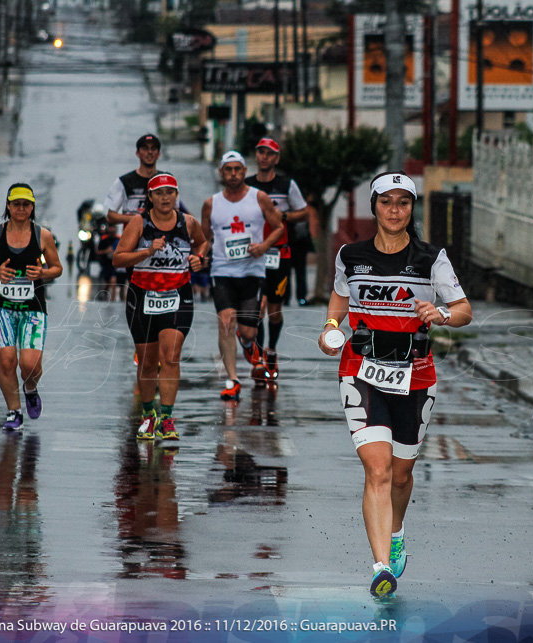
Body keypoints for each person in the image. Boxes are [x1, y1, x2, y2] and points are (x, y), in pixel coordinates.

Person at [317, 171, 472, 598]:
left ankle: (397, 528)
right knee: (378, 469)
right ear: (374, 206)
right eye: (387, 202)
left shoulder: (430, 258)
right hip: (361, 370)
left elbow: (463, 310)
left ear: (411, 209)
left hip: (415, 374)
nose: (394, 210)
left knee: (402, 475)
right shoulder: (350, 255)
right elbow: (339, 298)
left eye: (403, 202)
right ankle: (381, 566)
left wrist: (440, 315)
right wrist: (331, 327)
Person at [113, 173, 206, 441]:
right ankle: (147, 415)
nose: (165, 197)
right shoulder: (138, 223)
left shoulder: (188, 223)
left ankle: (166, 417)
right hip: (142, 296)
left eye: (170, 192)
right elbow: (118, 259)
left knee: (171, 355)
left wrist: (198, 258)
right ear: (150, 198)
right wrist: (146, 252)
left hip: (177, 295)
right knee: (148, 361)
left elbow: (201, 243)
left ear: (176, 195)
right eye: (159, 193)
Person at [0, 184, 63, 432]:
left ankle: (30, 389)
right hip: (0, 308)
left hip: (33, 308)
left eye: (26, 204)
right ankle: (14, 412)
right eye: (16, 204)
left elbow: (57, 268)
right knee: (7, 361)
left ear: (32, 207)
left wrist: (43, 273)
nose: (21, 209)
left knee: (30, 366)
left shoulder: (43, 235)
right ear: (8, 206)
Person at [201, 151, 284, 402]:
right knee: (226, 321)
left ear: (245, 170)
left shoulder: (259, 198)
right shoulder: (211, 204)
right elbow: (204, 238)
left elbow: (279, 227)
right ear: (221, 173)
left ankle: (249, 345)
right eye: (229, 170)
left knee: (248, 332)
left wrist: (263, 246)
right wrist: (201, 256)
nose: (234, 174)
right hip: (223, 271)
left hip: (251, 271)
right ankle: (232, 380)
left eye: (238, 169)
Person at [246, 137, 310, 382]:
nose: (264, 157)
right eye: (261, 152)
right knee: (256, 308)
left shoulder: (286, 184)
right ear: (256, 156)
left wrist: (284, 215)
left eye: (269, 153)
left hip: (279, 253)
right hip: (253, 253)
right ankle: (260, 356)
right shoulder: (247, 184)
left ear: (276, 158)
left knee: (274, 309)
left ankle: (271, 349)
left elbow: (304, 211)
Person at [104, 134, 162, 301]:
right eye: (145, 149)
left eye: (153, 149)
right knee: (138, 293)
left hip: (161, 246)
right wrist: (137, 220)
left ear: (158, 154)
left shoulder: (165, 181)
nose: (149, 153)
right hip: (133, 247)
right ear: (138, 153)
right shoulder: (124, 182)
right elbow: (110, 215)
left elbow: (177, 212)